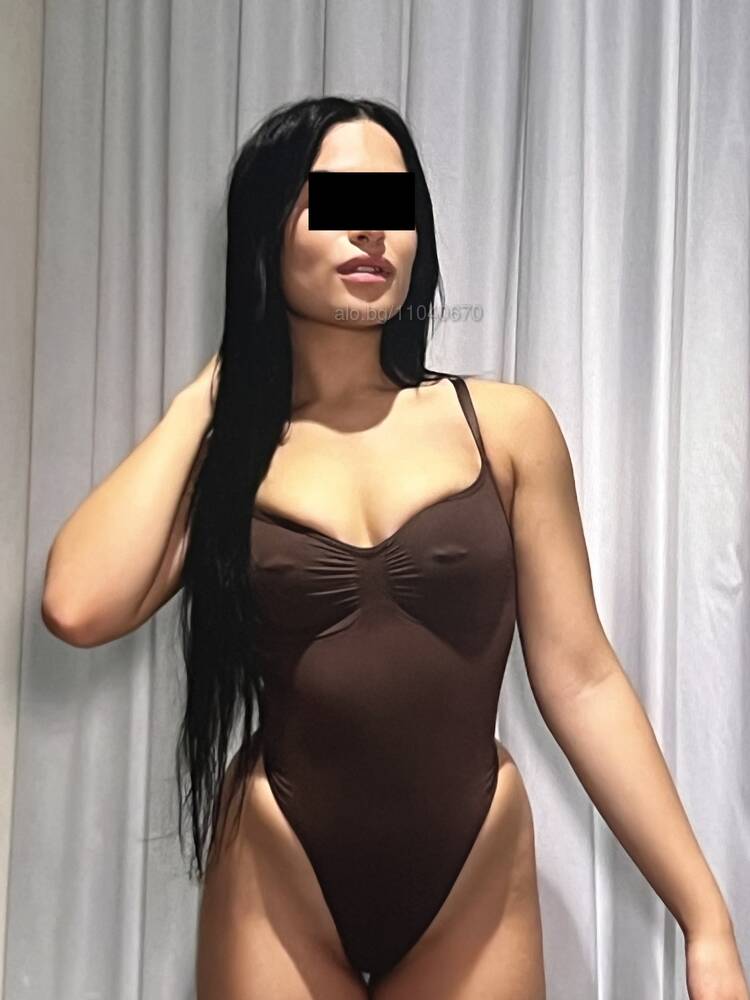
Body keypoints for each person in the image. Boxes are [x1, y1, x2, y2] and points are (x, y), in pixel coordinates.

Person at [42, 97, 746, 1000]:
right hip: (278, 873)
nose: (372, 228)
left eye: (393, 201)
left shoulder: (505, 427)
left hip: (473, 877)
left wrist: (706, 919)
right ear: (265, 230)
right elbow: (77, 605)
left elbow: (582, 679)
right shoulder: (230, 457)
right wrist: (213, 392)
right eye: (336, 199)